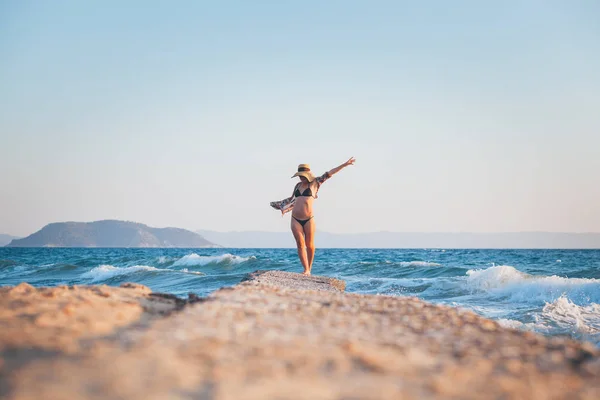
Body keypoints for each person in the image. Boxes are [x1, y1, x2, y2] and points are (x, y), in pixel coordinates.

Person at [270, 157, 355, 275]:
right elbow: (292, 200)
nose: (301, 177)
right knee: (300, 244)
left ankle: (309, 268)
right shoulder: (297, 186)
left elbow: (330, 173)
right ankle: (305, 269)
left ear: (308, 174)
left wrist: (344, 165)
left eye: (303, 175)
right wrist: (282, 207)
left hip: (309, 219)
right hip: (295, 219)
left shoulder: (316, 182)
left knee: (309, 245)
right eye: (300, 176)